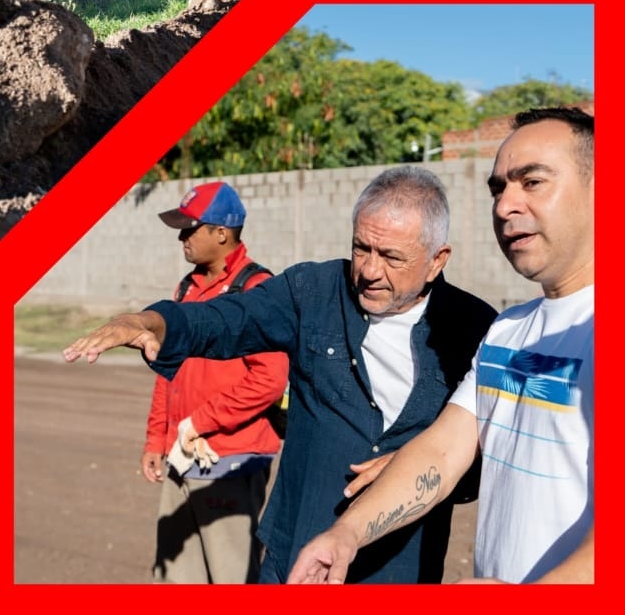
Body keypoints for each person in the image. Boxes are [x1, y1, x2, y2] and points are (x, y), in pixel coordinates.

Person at [64, 166, 497, 584]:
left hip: (399, 567)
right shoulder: (313, 292)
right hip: (295, 556)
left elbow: (493, 453)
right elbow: (225, 319)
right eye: (361, 248)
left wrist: (415, 468)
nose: (368, 271)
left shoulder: (476, 330)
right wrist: (151, 322)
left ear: (437, 260)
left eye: (391, 257)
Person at [286, 108, 594, 585]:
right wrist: (347, 533)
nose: (505, 205)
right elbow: (444, 453)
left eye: (531, 182)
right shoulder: (509, 330)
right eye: (498, 187)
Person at [142, 181, 287, 584]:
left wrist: (199, 422)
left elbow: (270, 380)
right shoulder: (186, 289)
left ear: (221, 233)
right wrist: (158, 437)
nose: (182, 237)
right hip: (181, 454)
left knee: (231, 577)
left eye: (190, 228)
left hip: (230, 461)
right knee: (175, 574)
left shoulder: (259, 291)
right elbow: (167, 369)